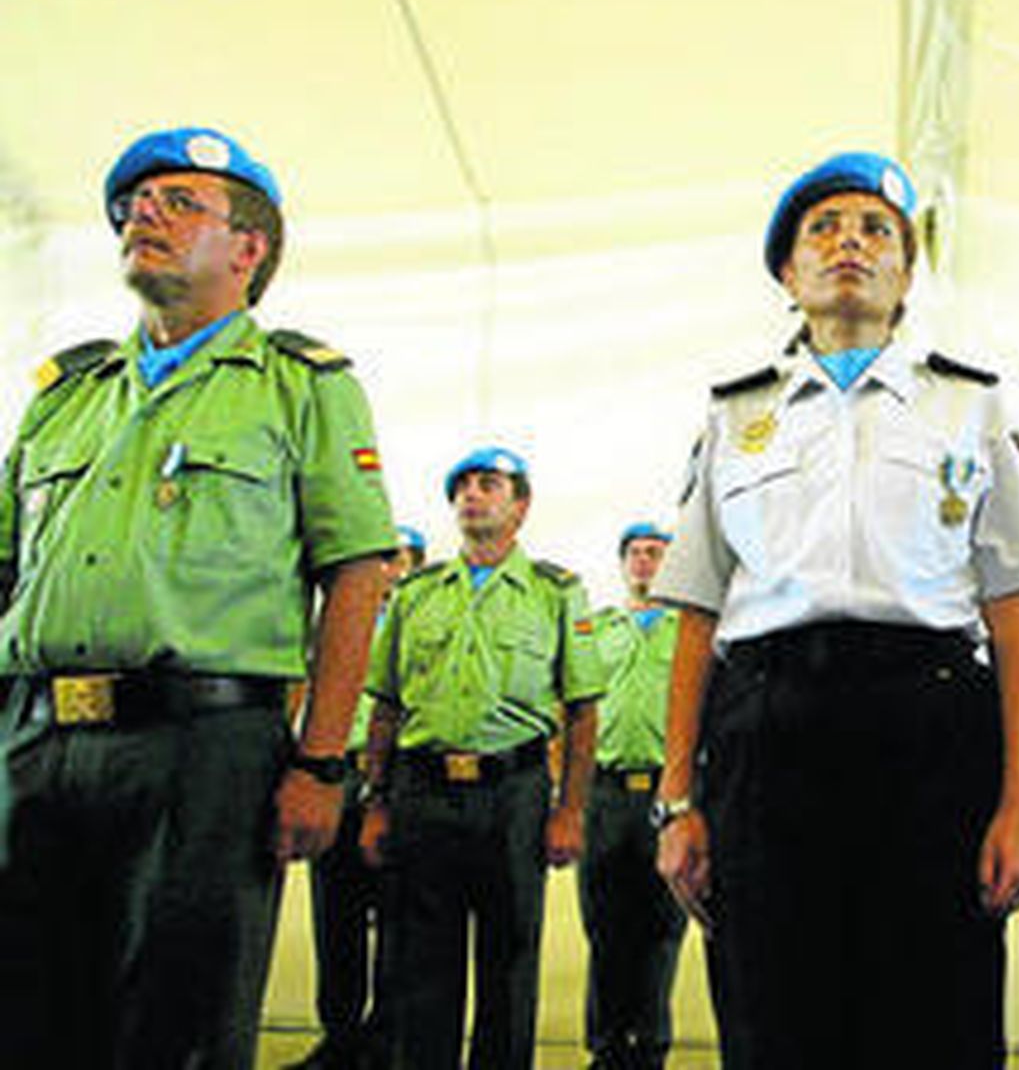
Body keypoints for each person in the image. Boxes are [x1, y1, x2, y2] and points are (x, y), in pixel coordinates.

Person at [651, 151, 1019, 1069]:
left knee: (936, 1015)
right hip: (768, 737)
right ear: (788, 274)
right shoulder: (734, 416)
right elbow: (696, 613)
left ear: (907, 274)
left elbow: (1012, 619)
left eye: (878, 230)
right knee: (775, 1012)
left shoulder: (970, 405)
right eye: (825, 229)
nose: (851, 243)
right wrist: (677, 801)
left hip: (930, 733)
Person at [0, 126, 396, 1068]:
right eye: (136, 204)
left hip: (205, 750)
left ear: (248, 248)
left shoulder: (303, 387)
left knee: (178, 1026)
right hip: (35, 741)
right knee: (27, 1018)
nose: (145, 213)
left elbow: (355, 574)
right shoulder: (67, 392)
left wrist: (321, 764)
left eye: (180, 202)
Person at [360, 446, 602, 1070]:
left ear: (520, 506)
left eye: (489, 484)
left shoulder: (555, 593)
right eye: (462, 486)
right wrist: (375, 803)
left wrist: (570, 811)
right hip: (423, 794)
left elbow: (582, 711)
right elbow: (384, 707)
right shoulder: (415, 594)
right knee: (421, 968)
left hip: (513, 795)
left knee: (509, 965)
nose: (472, 494)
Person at [291, 525, 428, 1070]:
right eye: (380, 560)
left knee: (398, 917)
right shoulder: (334, 625)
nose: (387, 571)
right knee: (335, 915)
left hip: (395, 782)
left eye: (398, 561)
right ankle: (340, 1037)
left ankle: (388, 1040)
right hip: (337, 775)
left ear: (414, 569)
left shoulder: (422, 627)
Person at [579, 521, 688, 1070]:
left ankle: (650, 1050)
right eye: (636, 553)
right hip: (604, 796)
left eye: (655, 553)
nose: (644, 561)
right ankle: (605, 1049)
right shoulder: (597, 629)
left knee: (662, 931)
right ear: (623, 563)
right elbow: (571, 708)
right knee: (604, 930)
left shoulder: (689, 632)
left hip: (667, 798)